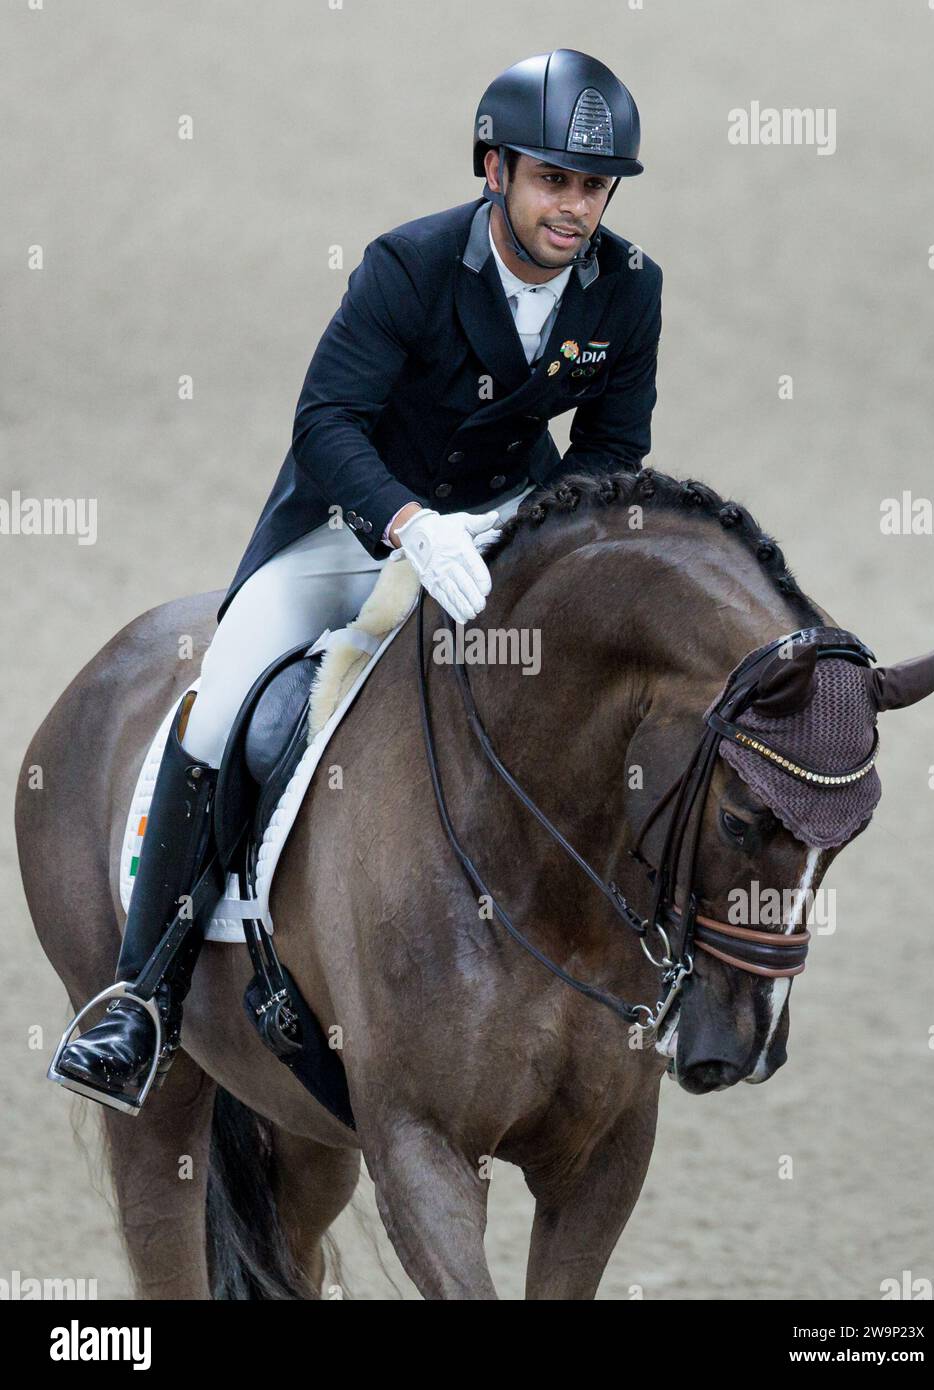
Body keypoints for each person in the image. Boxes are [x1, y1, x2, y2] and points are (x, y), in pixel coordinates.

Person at [53, 48, 663, 1108]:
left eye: (592, 186)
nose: (574, 209)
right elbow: (325, 421)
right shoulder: (408, 266)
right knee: (221, 704)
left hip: (502, 544)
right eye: (552, 180)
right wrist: (411, 523)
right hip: (347, 528)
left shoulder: (628, 288)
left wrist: (521, 522)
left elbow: (613, 453)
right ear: (494, 169)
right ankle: (140, 999)